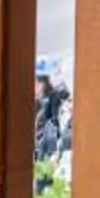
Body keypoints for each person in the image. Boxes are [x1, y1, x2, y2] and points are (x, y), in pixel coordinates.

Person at [32, 57, 72, 186]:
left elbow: (52, 128)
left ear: (41, 83)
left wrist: (51, 154)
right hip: (45, 155)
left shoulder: (52, 100)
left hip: (48, 157)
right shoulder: (42, 102)